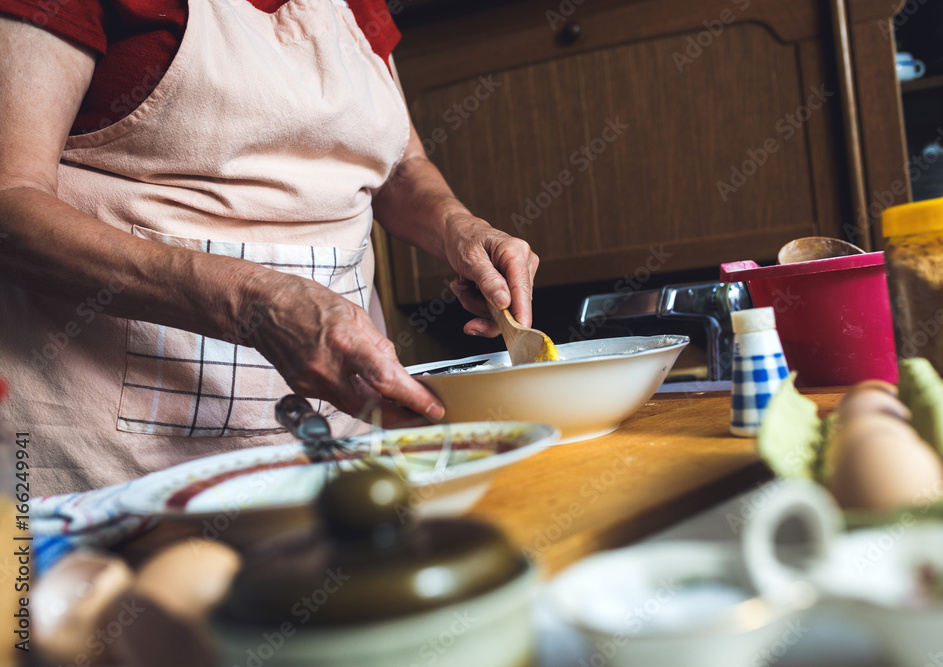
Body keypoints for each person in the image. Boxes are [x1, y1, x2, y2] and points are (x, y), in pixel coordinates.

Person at [0, 0, 539, 495]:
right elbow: (10, 201)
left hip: (340, 441)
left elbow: (399, 166)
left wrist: (457, 226)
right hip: (122, 466)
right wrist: (255, 301)